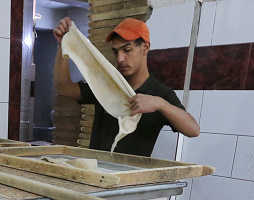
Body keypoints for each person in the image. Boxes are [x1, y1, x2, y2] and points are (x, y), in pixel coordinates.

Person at [53, 18, 200, 156]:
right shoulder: (109, 85)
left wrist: (160, 104)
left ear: (145, 48)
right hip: (97, 174)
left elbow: (193, 130)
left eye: (127, 50)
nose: (120, 59)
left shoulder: (159, 93)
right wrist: (62, 45)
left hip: (131, 180)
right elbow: (63, 88)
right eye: (116, 52)